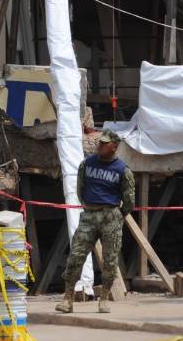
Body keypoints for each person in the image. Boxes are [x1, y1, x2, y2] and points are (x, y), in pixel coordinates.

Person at [57, 129, 135, 314]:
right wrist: (88, 206)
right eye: (100, 142)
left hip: (111, 216)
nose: (99, 145)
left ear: (114, 147)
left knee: (110, 260)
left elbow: (129, 200)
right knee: (76, 256)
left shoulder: (123, 170)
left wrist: (117, 215)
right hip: (89, 215)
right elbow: (80, 188)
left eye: (104, 143)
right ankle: (68, 299)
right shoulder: (87, 163)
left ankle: (105, 298)